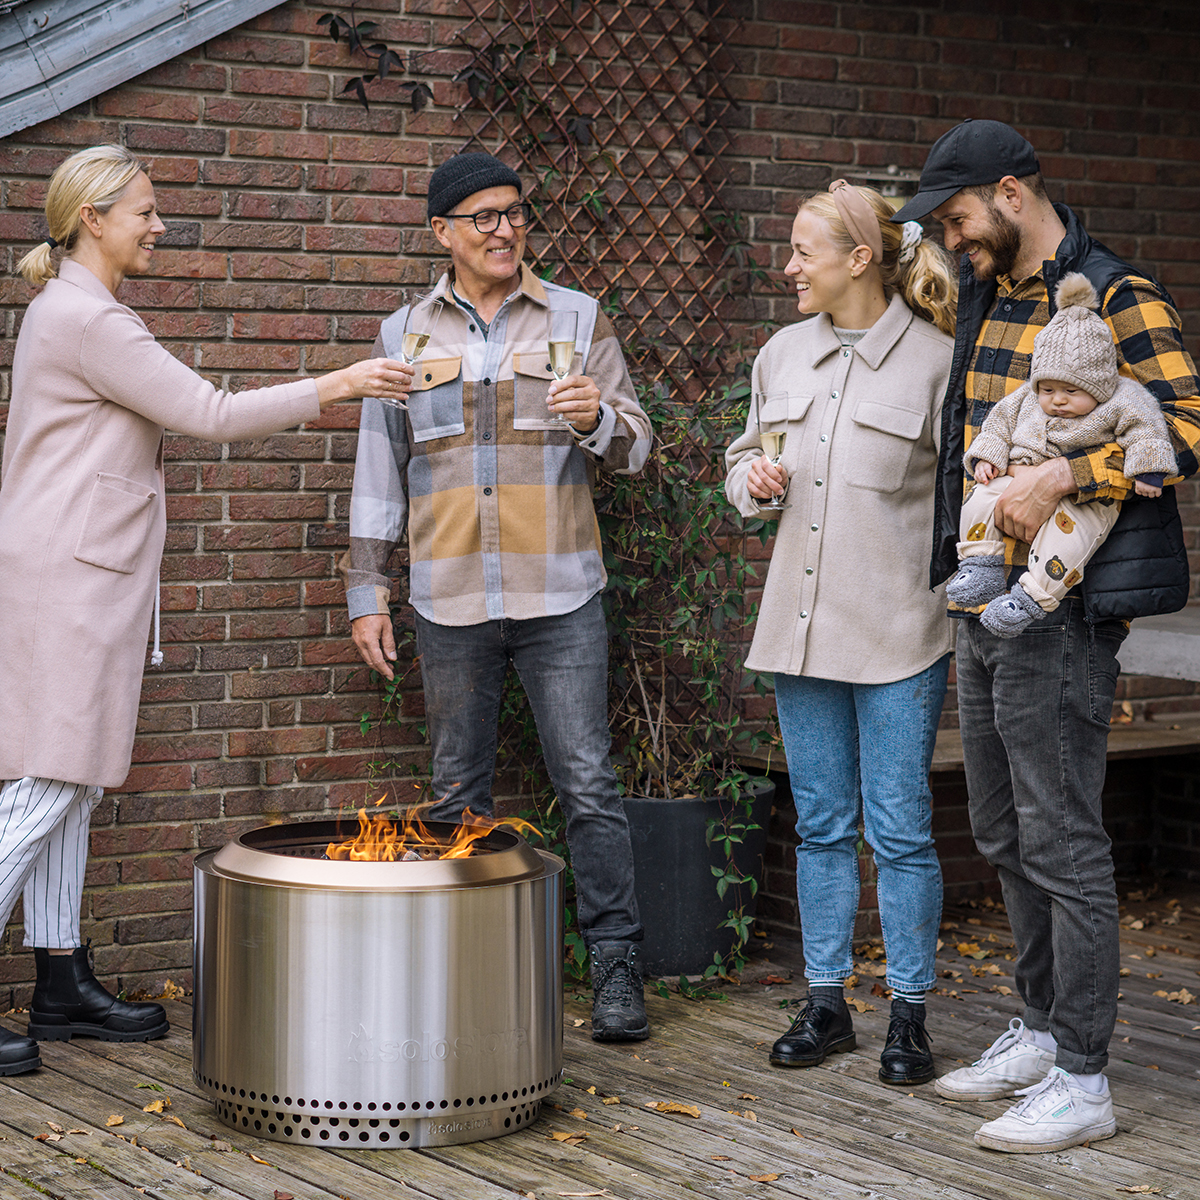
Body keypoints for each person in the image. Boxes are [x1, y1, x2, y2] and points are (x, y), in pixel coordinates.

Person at [0, 144, 409, 1077]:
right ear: (94, 218)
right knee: (48, 780)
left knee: (75, 780)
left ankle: (61, 978)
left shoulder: (79, 310)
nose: (158, 223)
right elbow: (212, 414)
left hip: (79, 572)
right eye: (144, 209)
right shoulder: (90, 320)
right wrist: (340, 383)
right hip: (70, 576)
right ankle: (57, 973)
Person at [893, 118, 1200, 1152]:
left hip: (1064, 614)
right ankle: (1037, 1026)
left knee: (1064, 840)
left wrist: (1065, 474)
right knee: (1000, 829)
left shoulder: (1118, 296)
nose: (952, 238)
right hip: (984, 602)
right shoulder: (988, 294)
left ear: (1014, 194)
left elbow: (1189, 428)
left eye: (960, 216)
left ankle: (1084, 1076)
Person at [347, 152, 654, 1041]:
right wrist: (369, 589)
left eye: (514, 212)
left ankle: (616, 973)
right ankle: (463, 976)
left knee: (589, 784)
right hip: (447, 597)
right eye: (481, 217)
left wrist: (597, 417)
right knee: (455, 794)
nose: (504, 229)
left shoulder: (576, 317)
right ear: (441, 232)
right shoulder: (401, 334)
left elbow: (637, 447)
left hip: (559, 592)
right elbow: (380, 471)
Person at [725, 181, 958, 1086]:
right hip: (800, 629)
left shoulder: (939, 362)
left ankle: (909, 1017)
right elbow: (744, 460)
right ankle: (826, 1007)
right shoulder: (782, 353)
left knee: (899, 829)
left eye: (801, 252)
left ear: (859, 258)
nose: (788, 267)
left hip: (901, 633)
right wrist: (753, 487)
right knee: (821, 824)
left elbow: (964, 503)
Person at [952, 272, 1177, 638]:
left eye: (1071, 390)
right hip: (1017, 475)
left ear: (1100, 385)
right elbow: (997, 425)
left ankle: (1029, 599)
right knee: (979, 497)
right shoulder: (1025, 398)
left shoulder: (1123, 399)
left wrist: (1148, 470)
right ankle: (979, 564)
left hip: (1084, 498)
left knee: (1068, 540)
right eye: (1049, 388)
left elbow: (1147, 427)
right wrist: (988, 458)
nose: (1057, 399)